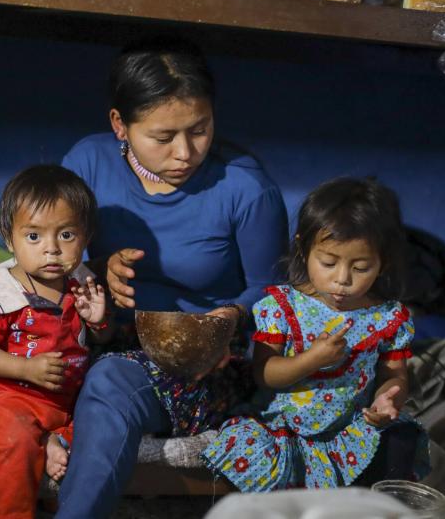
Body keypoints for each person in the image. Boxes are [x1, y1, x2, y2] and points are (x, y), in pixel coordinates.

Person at [52, 36, 289, 518]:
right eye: (163, 138)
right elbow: (46, 254)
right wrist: (95, 268)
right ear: (119, 124)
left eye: (200, 130)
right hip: (97, 329)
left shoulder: (245, 187)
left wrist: (229, 318)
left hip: (198, 361)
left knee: (112, 380)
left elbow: (276, 292)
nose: (185, 152)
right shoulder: (87, 163)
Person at [202, 176, 423, 491]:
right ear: (304, 249)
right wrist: (312, 360)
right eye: (329, 263)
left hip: (352, 427)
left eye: (361, 268)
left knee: (402, 439)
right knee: (247, 448)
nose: (342, 279)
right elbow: (265, 374)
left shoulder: (389, 318)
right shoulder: (283, 307)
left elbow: (394, 375)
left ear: (383, 263)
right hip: (285, 426)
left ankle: (367, 506)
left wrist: (388, 398)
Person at [0, 165, 110, 519]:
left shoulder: (82, 283)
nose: (52, 249)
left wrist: (98, 322)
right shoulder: (3, 292)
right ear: (10, 239)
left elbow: (98, 340)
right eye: (34, 236)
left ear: (85, 237)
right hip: (10, 396)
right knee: (13, 442)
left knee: (102, 428)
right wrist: (25, 368)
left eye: (66, 235)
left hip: (65, 399)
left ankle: (53, 439)